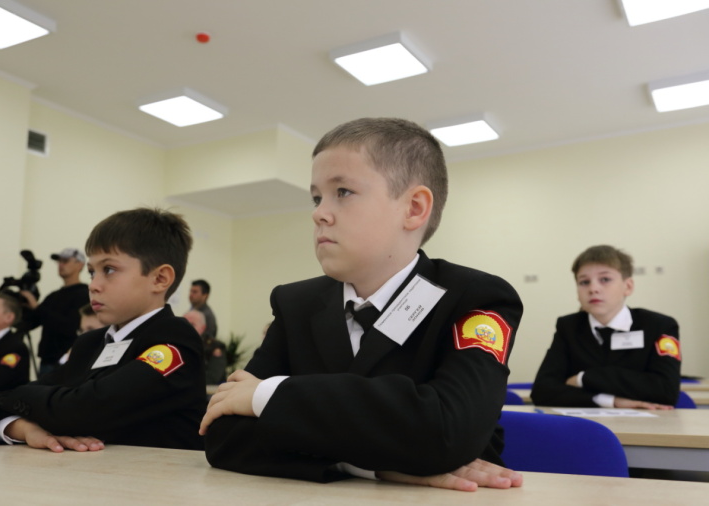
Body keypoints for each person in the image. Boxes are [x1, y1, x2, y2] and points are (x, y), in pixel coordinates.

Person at [201, 118, 524, 492]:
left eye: (343, 191)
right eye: (316, 198)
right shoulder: (296, 304)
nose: (319, 213)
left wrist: (267, 395)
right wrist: (371, 467)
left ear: (414, 208)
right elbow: (224, 435)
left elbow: (447, 432)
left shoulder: (474, 297)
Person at [0, 208, 206, 452]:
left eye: (109, 269)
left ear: (160, 279)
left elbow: (82, 412)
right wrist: (23, 428)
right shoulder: (90, 343)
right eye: (92, 272)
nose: (93, 285)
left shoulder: (175, 340)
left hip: (156, 474)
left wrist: (17, 396)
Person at [531, 245, 680, 408]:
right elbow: (542, 391)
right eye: (584, 282)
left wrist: (583, 378)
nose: (593, 289)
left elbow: (666, 391)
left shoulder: (659, 325)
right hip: (586, 420)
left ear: (628, 286)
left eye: (605, 279)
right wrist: (612, 401)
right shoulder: (568, 327)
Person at [19, 247, 89, 377]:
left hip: (68, 361)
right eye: (59, 261)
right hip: (47, 361)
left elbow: (72, 326)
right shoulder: (53, 296)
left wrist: (37, 307)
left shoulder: (84, 294)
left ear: (80, 265)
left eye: (65, 261)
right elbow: (30, 323)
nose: (60, 264)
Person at [185, 309, 227, 384]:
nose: (187, 328)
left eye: (192, 325)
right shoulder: (177, 345)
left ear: (203, 328)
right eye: (185, 324)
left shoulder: (214, 347)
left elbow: (213, 378)